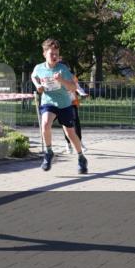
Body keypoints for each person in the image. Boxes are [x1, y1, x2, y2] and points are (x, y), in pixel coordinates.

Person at [32, 39, 87, 174]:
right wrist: (38, 85)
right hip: (48, 102)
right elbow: (34, 76)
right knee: (45, 124)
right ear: (44, 53)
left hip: (64, 104)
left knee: (70, 133)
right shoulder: (39, 68)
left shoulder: (62, 69)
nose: (55, 57)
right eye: (52, 54)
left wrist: (61, 80)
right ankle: (49, 152)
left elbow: (73, 87)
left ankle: (81, 157)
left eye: (57, 54)